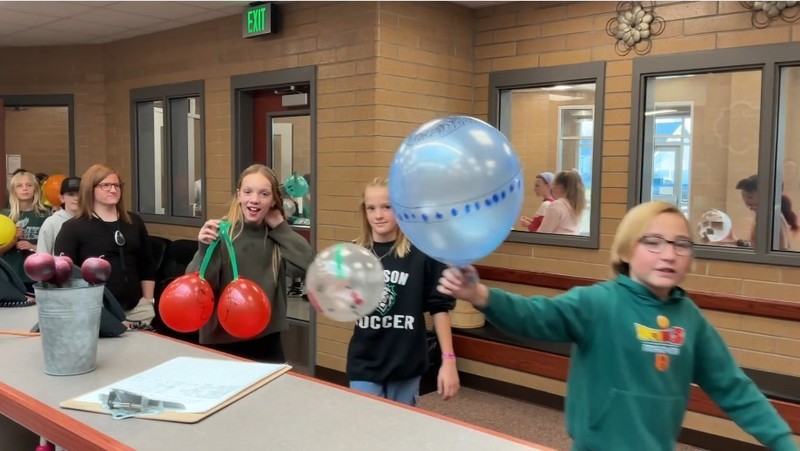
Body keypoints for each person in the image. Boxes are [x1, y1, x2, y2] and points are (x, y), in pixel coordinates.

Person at [437, 201, 795, 451]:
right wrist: (481, 294)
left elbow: (734, 388)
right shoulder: (598, 302)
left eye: (680, 244)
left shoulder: (690, 320)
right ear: (625, 251)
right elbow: (537, 317)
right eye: (652, 242)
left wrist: (783, 441)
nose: (668, 254)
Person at [347, 177, 459, 406]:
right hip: (365, 362)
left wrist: (449, 360)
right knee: (365, 430)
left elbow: (439, 308)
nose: (378, 215)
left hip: (406, 361)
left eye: (387, 207)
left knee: (399, 432)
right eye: (371, 208)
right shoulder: (356, 254)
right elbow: (348, 305)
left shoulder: (422, 255)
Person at [187, 164, 313, 363]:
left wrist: (281, 228)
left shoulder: (276, 237)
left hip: (267, 341)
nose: (254, 199)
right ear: (238, 195)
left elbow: (309, 265)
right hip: (223, 343)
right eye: (248, 192)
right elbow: (197, 292)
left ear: (273, 201)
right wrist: (204, 248)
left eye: (264, 194)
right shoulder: (221, 233)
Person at [54, 164, 157, 327]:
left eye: (116, 185)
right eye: (105, 185)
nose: (113, 190)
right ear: (90, 189)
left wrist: (148, 301)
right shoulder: (73, 228)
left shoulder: (133, 222)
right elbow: (63, 275)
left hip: (138, 309)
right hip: (97, 311)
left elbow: (146, 266)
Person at [0, 170, 50, 291]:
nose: (25, 189)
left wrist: (33, 246)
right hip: (11, 276)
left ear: (36, 189)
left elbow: (54, 248)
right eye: (19, 186)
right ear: (13, 190)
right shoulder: (5, 216)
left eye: (29, 185)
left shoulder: (47, 214)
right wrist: (13, 241)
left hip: (39, 276)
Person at [733, 175, 798, 250]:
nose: (746, 201)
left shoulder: (774, 217)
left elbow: (782, 248)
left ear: (766, 196)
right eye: (743, 197)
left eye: (750, 197)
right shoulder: (761, 214)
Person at [37, 176, 81, 254]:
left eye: (80, 194)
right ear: (62, 198)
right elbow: (42, 255)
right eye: (71, 194)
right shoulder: (51, 222)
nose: (76, 198)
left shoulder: (92, 221)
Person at [537, 170, 586, 235]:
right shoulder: (576, 205)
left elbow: (542, 235)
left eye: (554, 184)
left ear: (560, 187)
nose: (552, 188)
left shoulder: (557, 205)